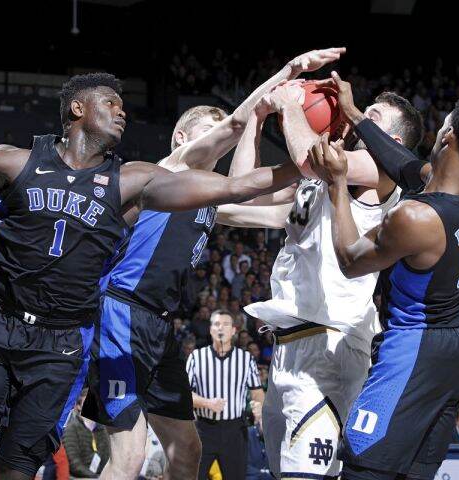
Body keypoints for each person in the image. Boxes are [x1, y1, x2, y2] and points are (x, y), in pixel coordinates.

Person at [0, 72, 300, 479]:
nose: (123, 110)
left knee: (26, 468)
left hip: (77, 337)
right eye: (111, 102)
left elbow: (244, 186)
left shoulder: (150, 185)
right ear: (78, 109)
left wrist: (317, 160)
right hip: (34, 320)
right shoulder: (29, 164)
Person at [88, 48, 344, 480]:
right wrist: (286, 75)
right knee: (128, 458)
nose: (218, 142)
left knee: (187, 450)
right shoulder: (167, 170)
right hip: (121, 313)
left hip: (159, 327)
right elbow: (235, 125)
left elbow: (278, 211)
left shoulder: (211, 202)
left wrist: (322, 152)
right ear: (183, 140)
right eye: (209, 133)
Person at [308, 71, 459, 479]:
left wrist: (337, 182)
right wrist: (354, 113)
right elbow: (406, 166)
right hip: (457, 347)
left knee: (364, 466)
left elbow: (350, 259)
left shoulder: (416, 217)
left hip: (415, 348)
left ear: (448, 136)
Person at [219, 81, 422, 478]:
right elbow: (240, 194)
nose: (355, 115)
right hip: (290, 346)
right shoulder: (320, 179)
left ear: (391, 141)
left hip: (332, 345)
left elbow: (311, 159)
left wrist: (291, 106)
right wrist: (257, 121)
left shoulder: (381, 173)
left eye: (372, 118)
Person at [186, 309, 264, 479]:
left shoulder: (246, 359)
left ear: (234, 330)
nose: (221, 328)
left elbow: (257, 393)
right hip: (203, 430)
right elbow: (184, 395)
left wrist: (259, 409)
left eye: (226, 324)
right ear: (210, 329)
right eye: (216, 324)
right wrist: (207, 403)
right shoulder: (196, 358)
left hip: (235, 431)